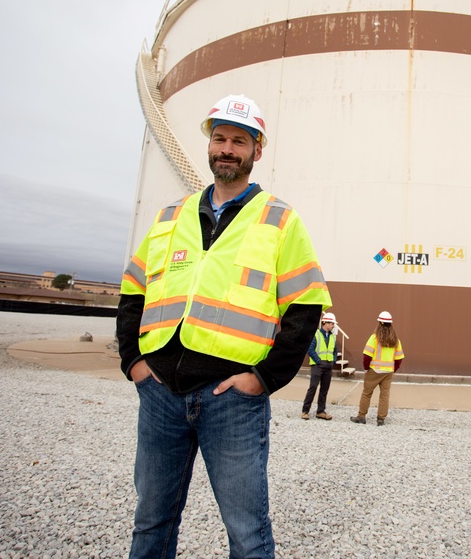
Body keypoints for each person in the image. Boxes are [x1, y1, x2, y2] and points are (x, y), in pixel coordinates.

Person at [116, 94, 332, 559]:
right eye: (220, 139)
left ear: (257, 150)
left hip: (231, 399)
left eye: (239, 140)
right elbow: (134, 290)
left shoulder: (280, 219)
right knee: (151, 522)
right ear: (209, 145)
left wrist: (264, 379)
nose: (227, 149)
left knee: (248, 533)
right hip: (160, 395)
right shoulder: (171, 216)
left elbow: (305, 307)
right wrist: (132, 361)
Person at [350, 311, 404, 426]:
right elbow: (399, 359)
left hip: (374, 370)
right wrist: (393, 369)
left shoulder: (374, 338)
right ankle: (381, 419)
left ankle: (361, 416)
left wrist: (366, 369)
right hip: (388, 372)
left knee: (367, 393)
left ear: (379, 323)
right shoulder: (396, 340)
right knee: (384, 395)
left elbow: (367, 356)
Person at [301, 312, 339, 420]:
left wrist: (333, 361)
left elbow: (335, 350)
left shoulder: (333, 337)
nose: (333, 326)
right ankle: (305, 411)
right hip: (318, 366)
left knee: (324, 389)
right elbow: (310, 349)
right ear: (325, 323)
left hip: (328, 366)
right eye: (332, 323)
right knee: (313, 387)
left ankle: (321, 411)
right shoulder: (316, 334)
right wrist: (318, 361)